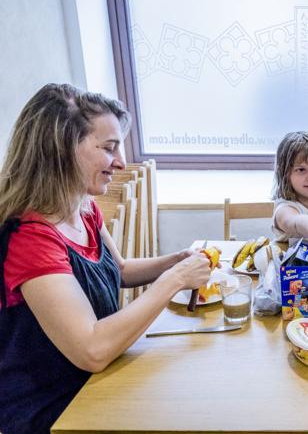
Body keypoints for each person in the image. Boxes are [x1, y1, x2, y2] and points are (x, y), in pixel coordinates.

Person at [0, 84, 212, 434]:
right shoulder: (30, 239)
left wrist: (176, 259)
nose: (122, 162)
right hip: (50, 412)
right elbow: (93, 349)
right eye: (109, 147)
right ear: (63, 148)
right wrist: (174, 280)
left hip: (92, 387)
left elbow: (122, 270)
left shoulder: (82, 207)